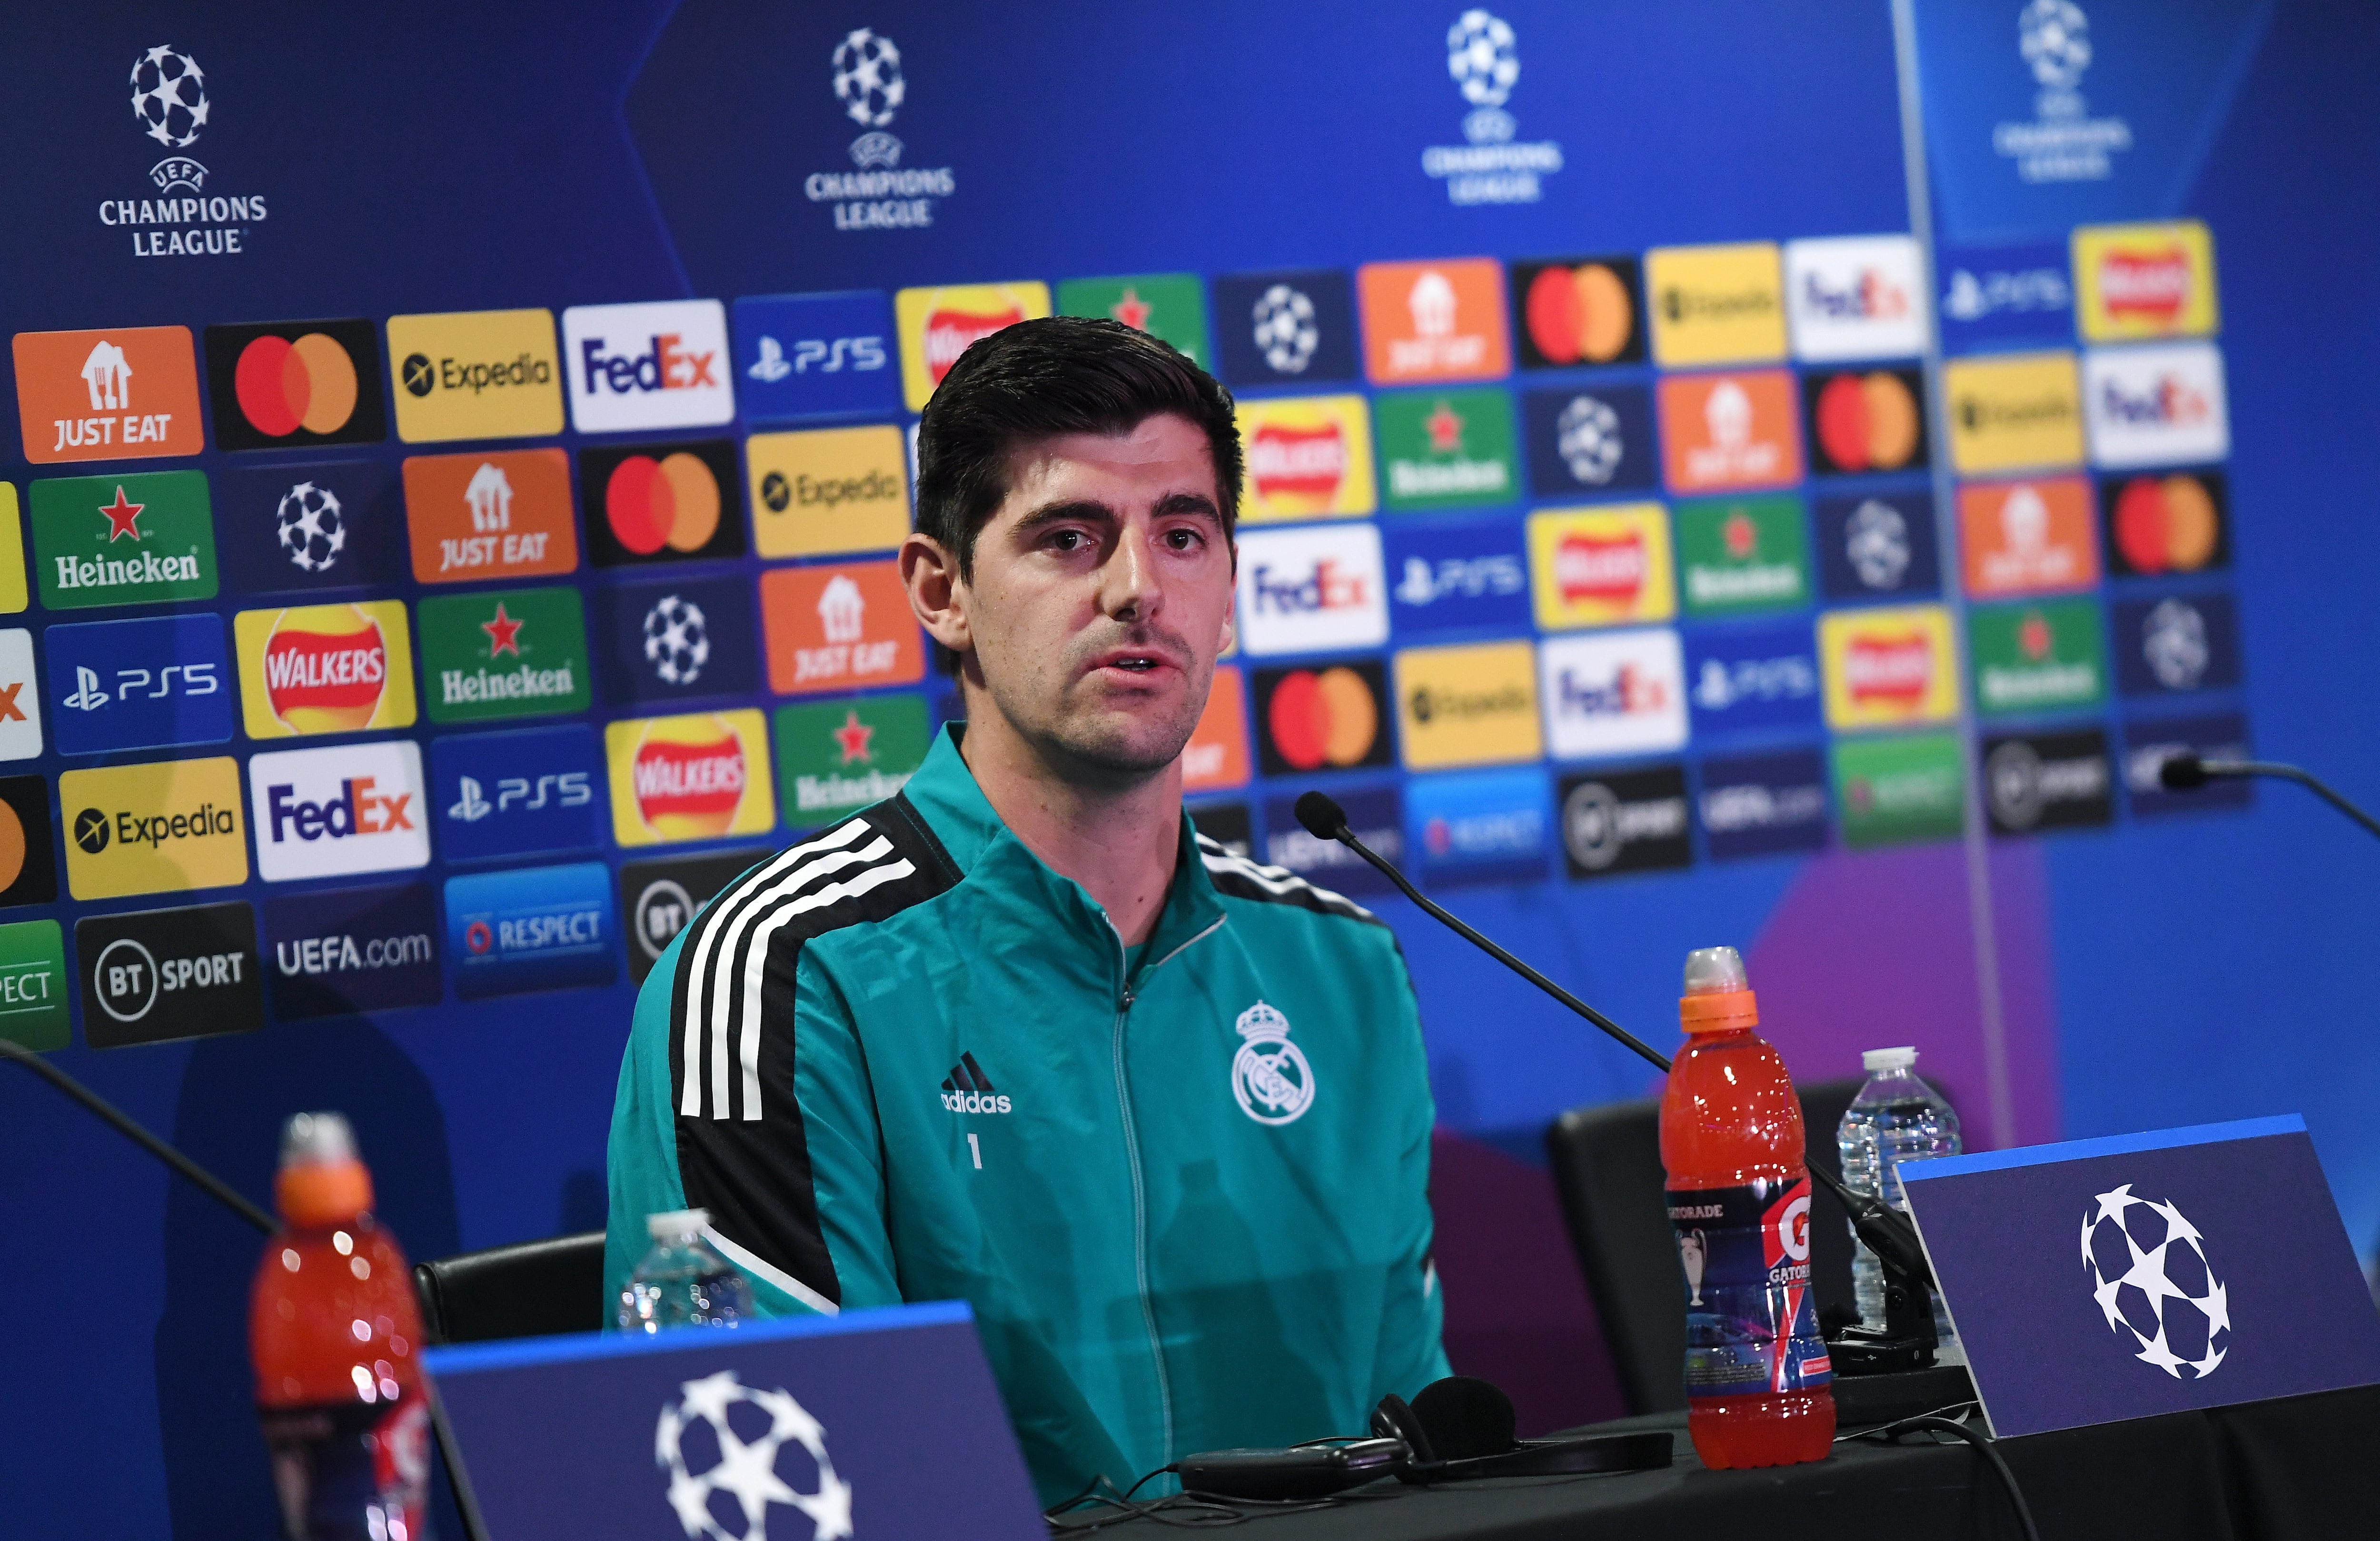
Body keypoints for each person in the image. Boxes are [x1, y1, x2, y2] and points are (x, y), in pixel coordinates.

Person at [605, 317, 1448, 1503]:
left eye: (1183, 534)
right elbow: (796, 1489)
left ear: (1229, 593)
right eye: (1067, 537)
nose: (1136, 588)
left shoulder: (1343, 964)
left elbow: (1422, 1454)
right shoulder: (784, 975)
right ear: (940, 591)